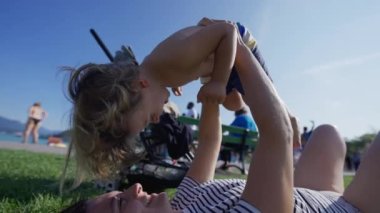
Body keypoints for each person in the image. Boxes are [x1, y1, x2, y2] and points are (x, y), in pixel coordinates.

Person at [61, 24, 376, 212]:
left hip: (309, 192)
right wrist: (237, 53)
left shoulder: (182, 202)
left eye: (117, 193)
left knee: (327, 134)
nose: (134, 189)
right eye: (119, 205)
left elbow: (210, 142)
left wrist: (210, 99)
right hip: (353, 208)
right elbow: (276, 131)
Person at [64, 17, 272, 179]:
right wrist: (178, 81)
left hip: (237, 47)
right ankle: (240, 92)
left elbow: (228, 30)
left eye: (146, 119)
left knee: (268, 106)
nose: (155, 120)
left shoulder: (174, 58)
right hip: (219, 62)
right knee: (232, 103)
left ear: (139, 85)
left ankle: (288, 121)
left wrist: (218, 82)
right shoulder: (160, 72)